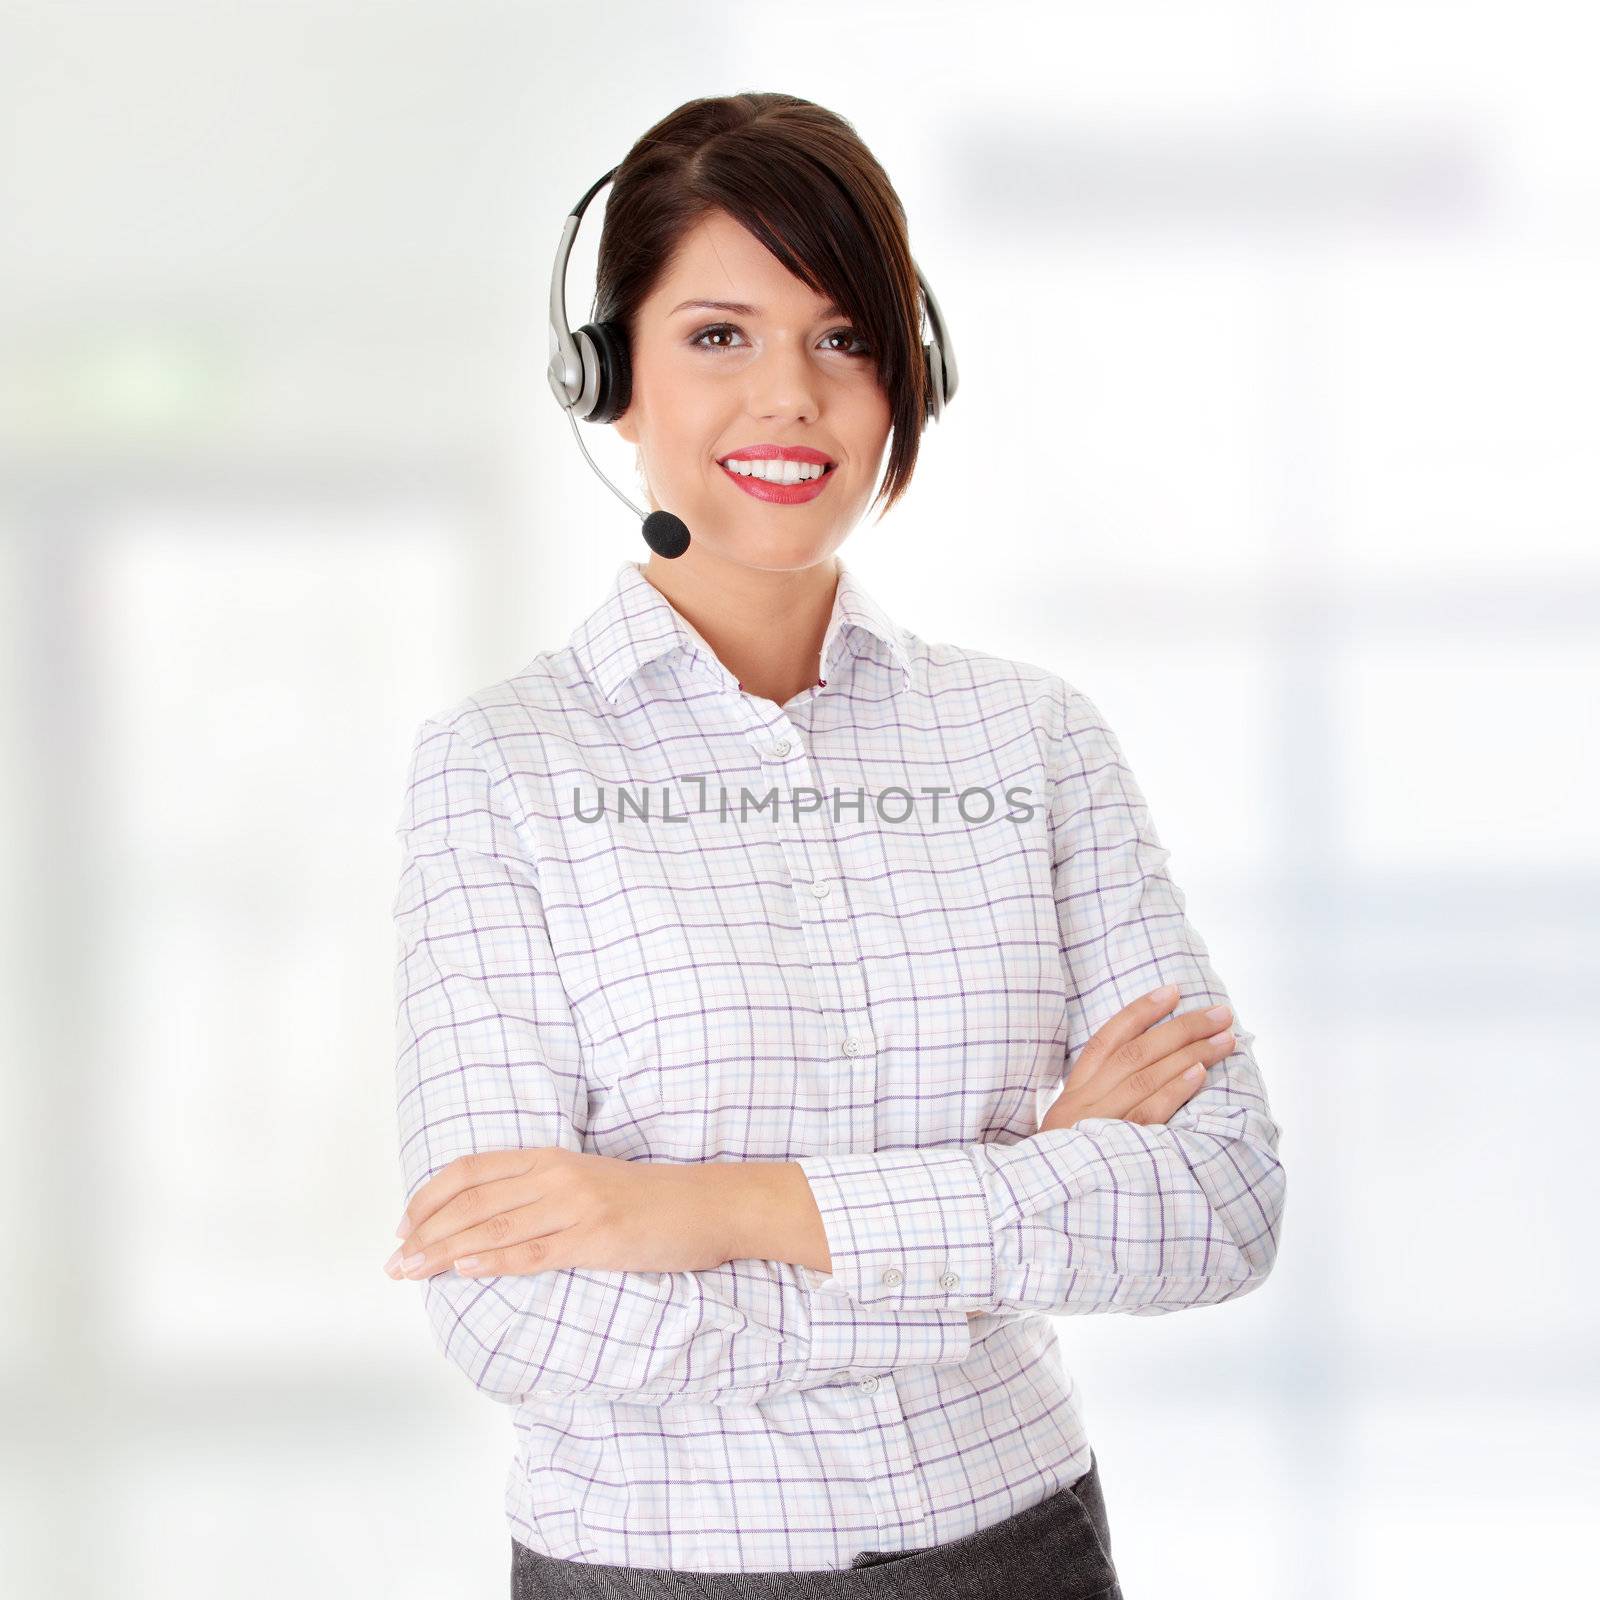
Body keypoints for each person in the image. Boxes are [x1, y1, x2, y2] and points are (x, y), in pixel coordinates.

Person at [386, 93, 1286, 1597]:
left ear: (908, 375)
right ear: (608, 379)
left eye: (843, 336)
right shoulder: (502, 770)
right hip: (652, 1571)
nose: (789, 397)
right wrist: (1028, 1185)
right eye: (719, 336)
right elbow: (516, 1315)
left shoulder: (1033, 742)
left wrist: (718, 1211)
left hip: (1024, 1550)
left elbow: (1217, 1205)